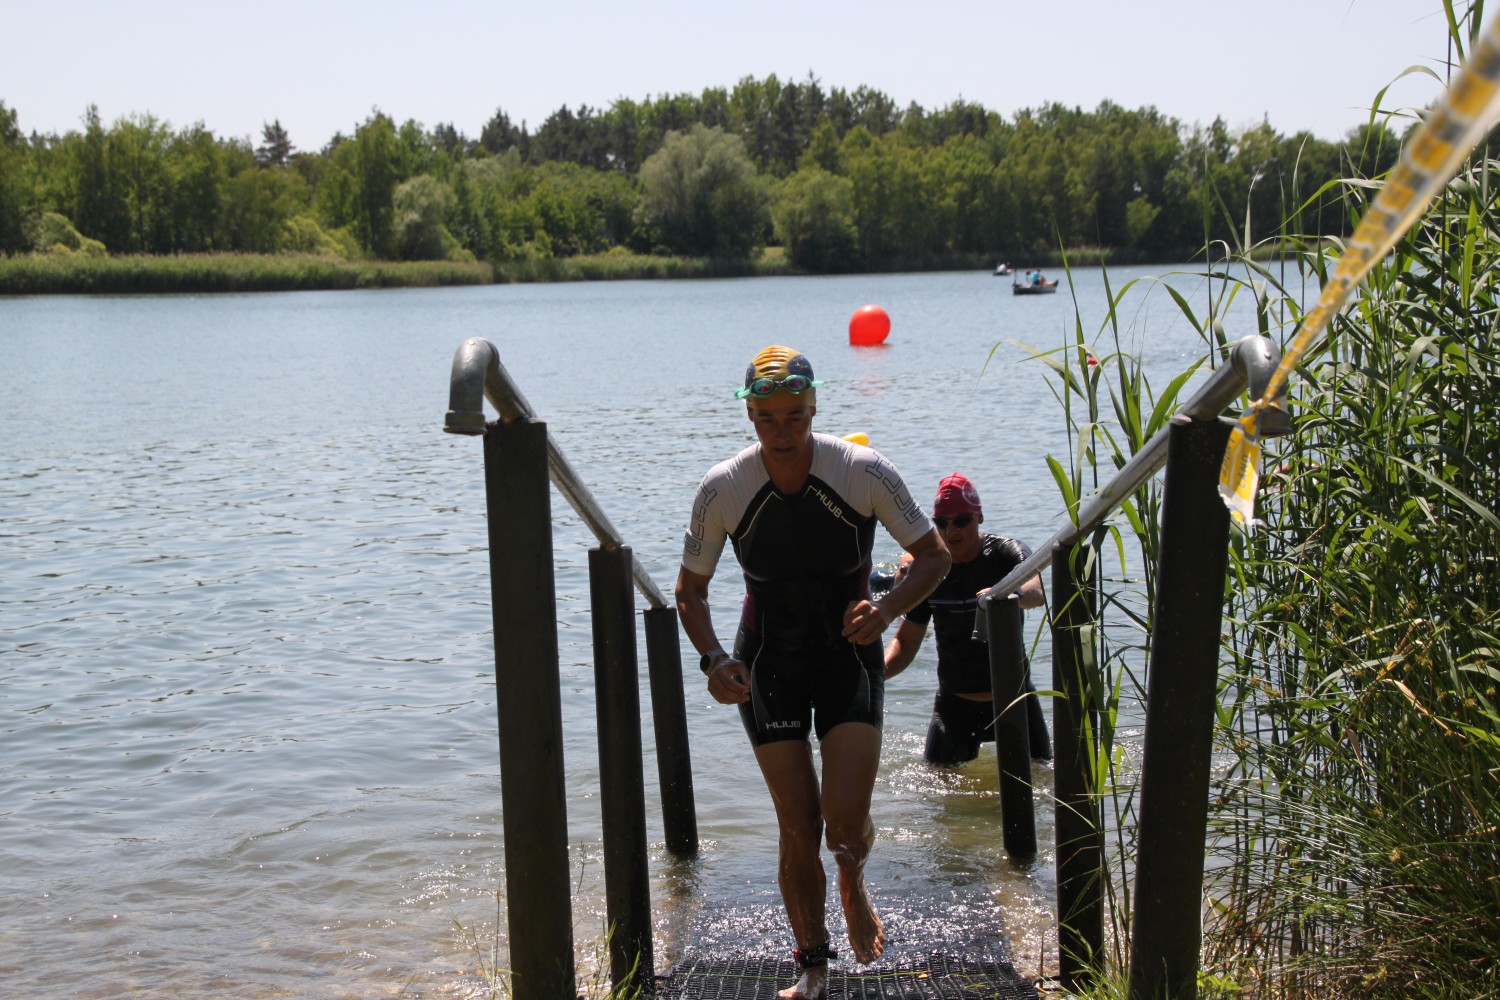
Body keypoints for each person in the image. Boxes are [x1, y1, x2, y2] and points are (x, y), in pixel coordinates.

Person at [676, 345, 950, 1000]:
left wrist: (887, 609)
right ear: (749, 415)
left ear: (815, 406)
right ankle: (813, 968)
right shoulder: (724, 487)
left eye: (795, 416)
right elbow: (690, 592)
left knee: (843, 829)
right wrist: (714, 659)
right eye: (768, 419)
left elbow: (935, 557)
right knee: (798, 827)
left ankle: (852, 878)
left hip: (848, 654)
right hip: (767, 664)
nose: (783, 433)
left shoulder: (861, 470)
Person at [883, 472, 1051, 765]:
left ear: (979, 517)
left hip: (1014, 700)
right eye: (942, 523)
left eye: (961, 521)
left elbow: (1036, 591)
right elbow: (906, 642)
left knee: (1043, 779)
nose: (952, 532)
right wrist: (872, 673)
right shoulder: (930, 570)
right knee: (936, 783)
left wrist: (1006, 593)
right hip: (954, 706)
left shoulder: (1004, 553)